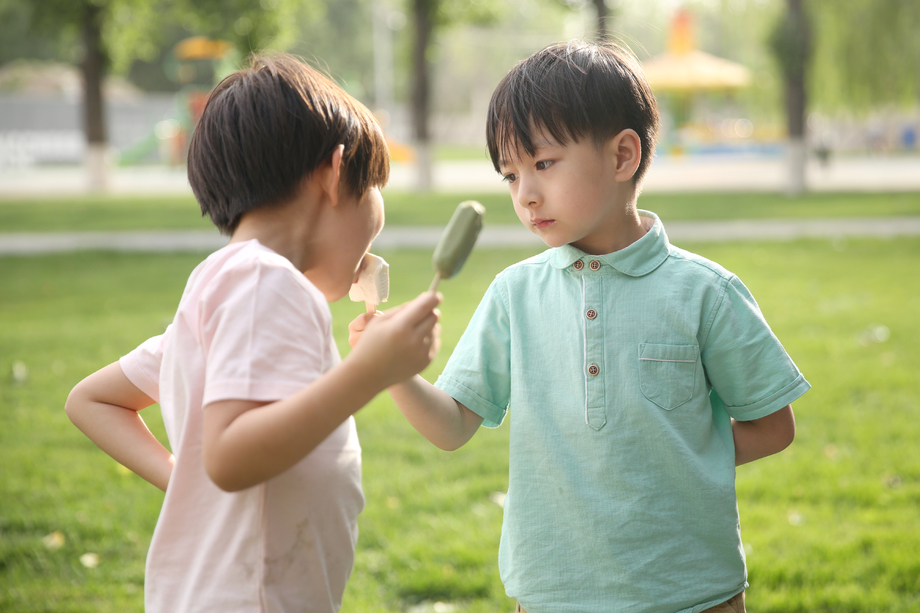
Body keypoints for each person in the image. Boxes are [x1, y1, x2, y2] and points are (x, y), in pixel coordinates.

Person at [356, 41, 809, 613]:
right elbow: (452, 426)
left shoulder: (705, 292)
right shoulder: (513, 296)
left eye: (543, 164)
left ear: (622, 157)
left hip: (692, 592)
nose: (526, 194)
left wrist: (677, 460)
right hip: (553, 593)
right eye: (511, 175)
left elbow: (774, 427)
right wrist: (394, 372)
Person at [65, 53, 441, 613]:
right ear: (335, 175)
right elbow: (230, 456)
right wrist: (369, 373)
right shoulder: (267, 284)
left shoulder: (227, 289)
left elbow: (92, 400)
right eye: (374, 192)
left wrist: (185, 484)